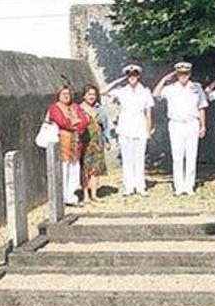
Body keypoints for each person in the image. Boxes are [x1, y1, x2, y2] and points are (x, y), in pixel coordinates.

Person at [153, 61, 208, 196]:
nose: (183, 76)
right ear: (177, 74)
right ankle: (179, 186)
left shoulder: (196, 87)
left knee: (191, 156)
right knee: (177, 156)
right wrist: (164, 79)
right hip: (176, 124)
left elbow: (201, 107)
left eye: (186, 74)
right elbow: (155, 94)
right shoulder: (170, 88)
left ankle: (189, 186)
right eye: (180, 74)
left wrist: (203, 125)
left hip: (192, 123)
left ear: (189, 74)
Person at [106, 64, 154, 196]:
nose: (132, 78)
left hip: (140, 126)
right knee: (127, 158)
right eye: (130, 75)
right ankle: (129, 186)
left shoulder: (145, 91)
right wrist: (119, 80)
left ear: (139, 76)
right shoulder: (121, 90)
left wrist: (148, 131)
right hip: (125, 127)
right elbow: (103, 91)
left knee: (139, 158)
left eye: (135, 75)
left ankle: (140, 186)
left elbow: (148, 113)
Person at [47, 84, 88, 206]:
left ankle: (71, 196)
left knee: (74, 168)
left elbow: (84, 120)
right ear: (59, 95)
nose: (66, 96)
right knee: (64, 169)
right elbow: (61, 122)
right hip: (62, 142)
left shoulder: (75, 107)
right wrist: (73, 123)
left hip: (75, 143)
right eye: (63, 94)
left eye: (68, 94)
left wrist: (76, 124)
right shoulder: (54, 108)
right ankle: (62, 197)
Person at [79, 84, 112, 204]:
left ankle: (94, 194)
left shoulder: (100, 108)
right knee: (85, 169)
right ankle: (85, 195)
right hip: (85, 141)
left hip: (98, 141)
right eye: (89, 94)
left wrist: (107, 140)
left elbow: (106, 126)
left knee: (95, 169)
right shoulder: (79, 109)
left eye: (93, 94)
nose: (92, 97)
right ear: (84, 95)